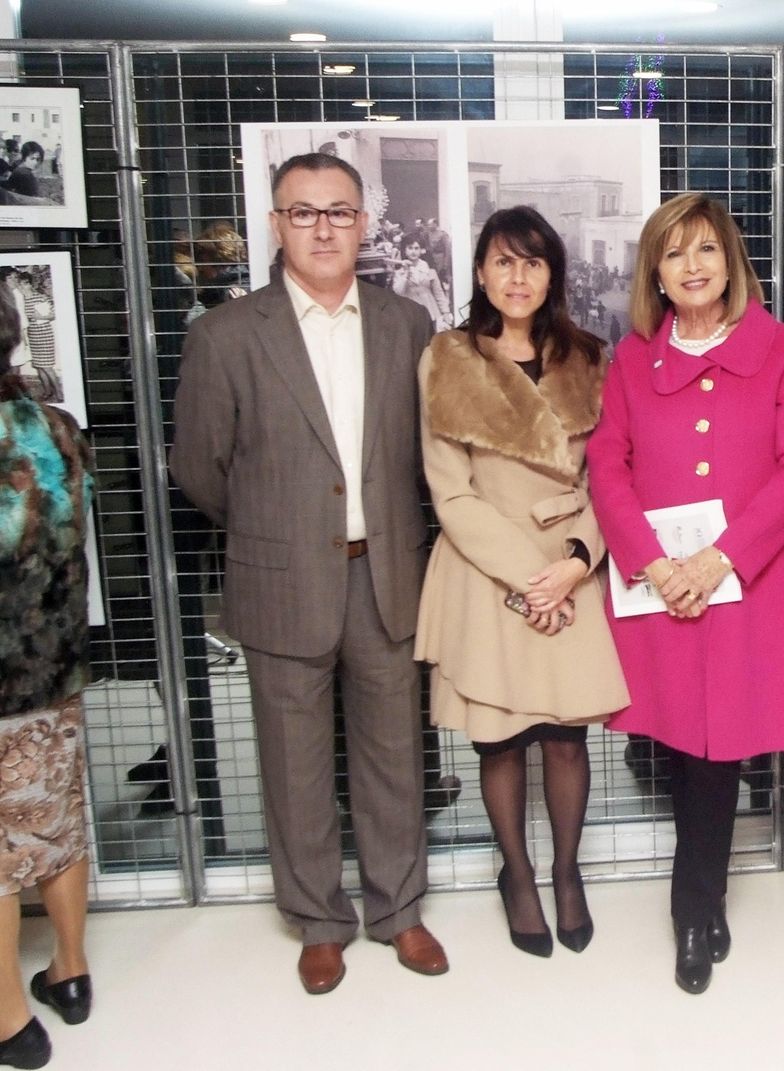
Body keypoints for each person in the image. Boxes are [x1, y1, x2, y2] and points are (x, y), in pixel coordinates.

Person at [170, 152, 448, 995]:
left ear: (364, 223)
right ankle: (319, 919)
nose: (323, 227)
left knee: (396, 751)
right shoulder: (224, 334)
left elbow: (426, 454)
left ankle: (398, 908)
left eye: (339, 211)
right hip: (281, 575)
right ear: (276, 224)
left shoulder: (406, 325)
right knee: (292, 763)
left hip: (387, 574)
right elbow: (200, 468)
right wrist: (280, 527)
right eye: (303, 212)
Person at [588, 193, 784, 995]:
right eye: (675, 253)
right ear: (656, 270)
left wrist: (720, 559)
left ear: (731, 263)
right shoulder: (632, 359)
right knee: (685, 743)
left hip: (746, 585)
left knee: (723, 747)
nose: (692, 267)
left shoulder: (781, 349)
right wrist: (654, 563)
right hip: (663, 589)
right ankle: (698, 902)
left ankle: (698, 905)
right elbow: (607, 467)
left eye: (706, 251)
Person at [414, 206, 630, 959]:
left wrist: (575, 562)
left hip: (571, 562)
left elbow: (613, 479)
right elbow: (451, 491)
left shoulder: (590, 358)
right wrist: (529, 578)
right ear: (479, 271)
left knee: (568, 739)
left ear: (552, 275)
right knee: (500, 738)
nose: (517, 277)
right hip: (487, 568)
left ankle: (567, 872)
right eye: (503, 262)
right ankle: (519, 874)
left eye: (533, 263)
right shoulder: (447, 358)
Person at [0, 304, 95, 1071]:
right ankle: (70, 971)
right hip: (56, 666)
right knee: (59, 822)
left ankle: (9, 1020)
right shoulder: (58, 427)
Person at [391, 232, 452, 331]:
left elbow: (438, 293)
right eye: (410, 248)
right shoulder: (400, 272)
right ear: (405, 251)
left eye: (416, 248)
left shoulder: (429, 269)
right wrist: (406, 273)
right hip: (410, 314)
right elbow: (398, 292)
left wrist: (445, 312)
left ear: (421, 251)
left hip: (430, 312)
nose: (413, 252)